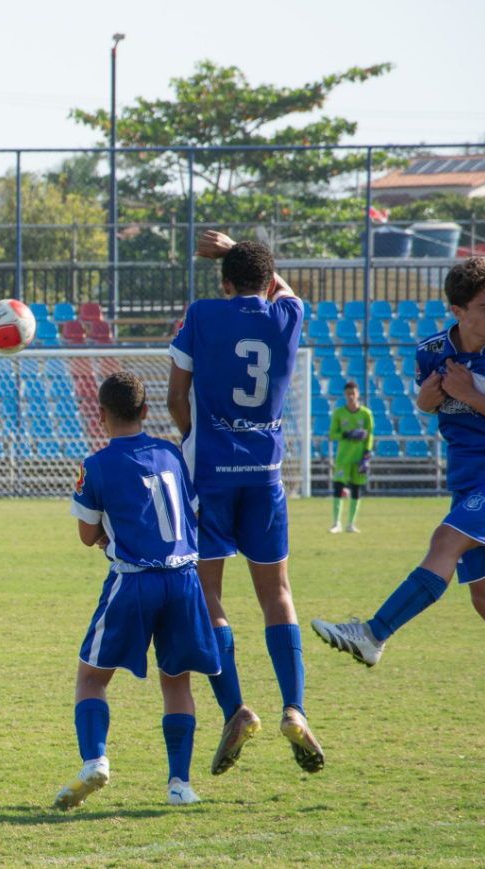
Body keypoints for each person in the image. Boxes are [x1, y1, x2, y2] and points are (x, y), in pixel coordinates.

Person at [312, 257, 485, 764]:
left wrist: (469, 395)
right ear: (456, 311)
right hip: (470, 479)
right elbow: (430, 405)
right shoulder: (430, 351)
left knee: (445, 543)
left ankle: (373, 634)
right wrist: (428, 399)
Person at [166, 231, 324, 777]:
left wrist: (195, 438)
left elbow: (174, 396)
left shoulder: (203, 315)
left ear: (225, 283)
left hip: (210, 473)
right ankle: (296, 709)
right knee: (277, 593)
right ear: (269, 280)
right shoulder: (289, 316)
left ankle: (235, 709)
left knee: (207, 593)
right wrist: (238, 249)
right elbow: (279, 288)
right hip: (265, 476)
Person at [54, 372, 219, 809]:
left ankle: (96, 761)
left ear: (101, 415)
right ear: (146, 412)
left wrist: (111, 536)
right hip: (185, 578)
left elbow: (87, 535)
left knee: (91, 676)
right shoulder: (170, 453)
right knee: (177, 679)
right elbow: (192, 514)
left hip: (134, 579)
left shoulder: (97, 463)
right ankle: (180, 785)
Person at [328, 381, 374, 533]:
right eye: (348, 393)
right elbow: (332, 434)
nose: (351, 396)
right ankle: (336, 523)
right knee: (338, 487)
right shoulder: (339, 413)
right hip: (343, 457)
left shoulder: (366, 414)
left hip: (358, 457)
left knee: (356, 489)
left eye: (353, 393)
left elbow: (370, 435)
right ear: (344, 395)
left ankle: (351, 524)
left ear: (358, 393)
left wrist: (366, 454)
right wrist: (347, 433)